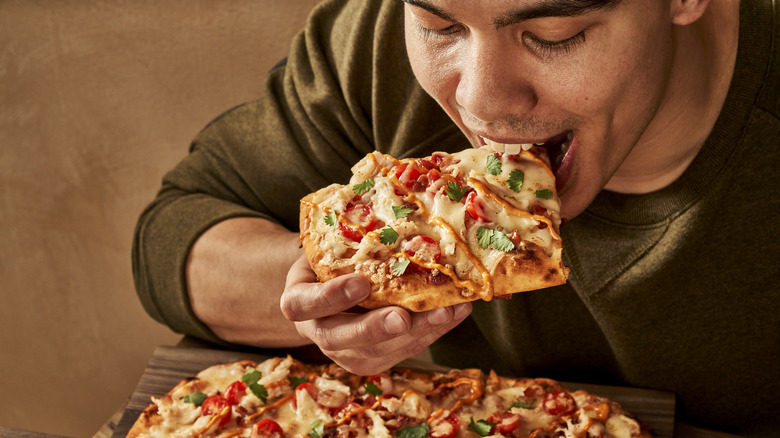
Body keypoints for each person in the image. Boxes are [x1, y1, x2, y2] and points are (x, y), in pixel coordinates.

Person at [132, 0, 779, 435]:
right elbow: (174, 239)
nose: (479, 100)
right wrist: (346, 287)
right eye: (440, 27)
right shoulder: (376, 42)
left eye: (552, 35)